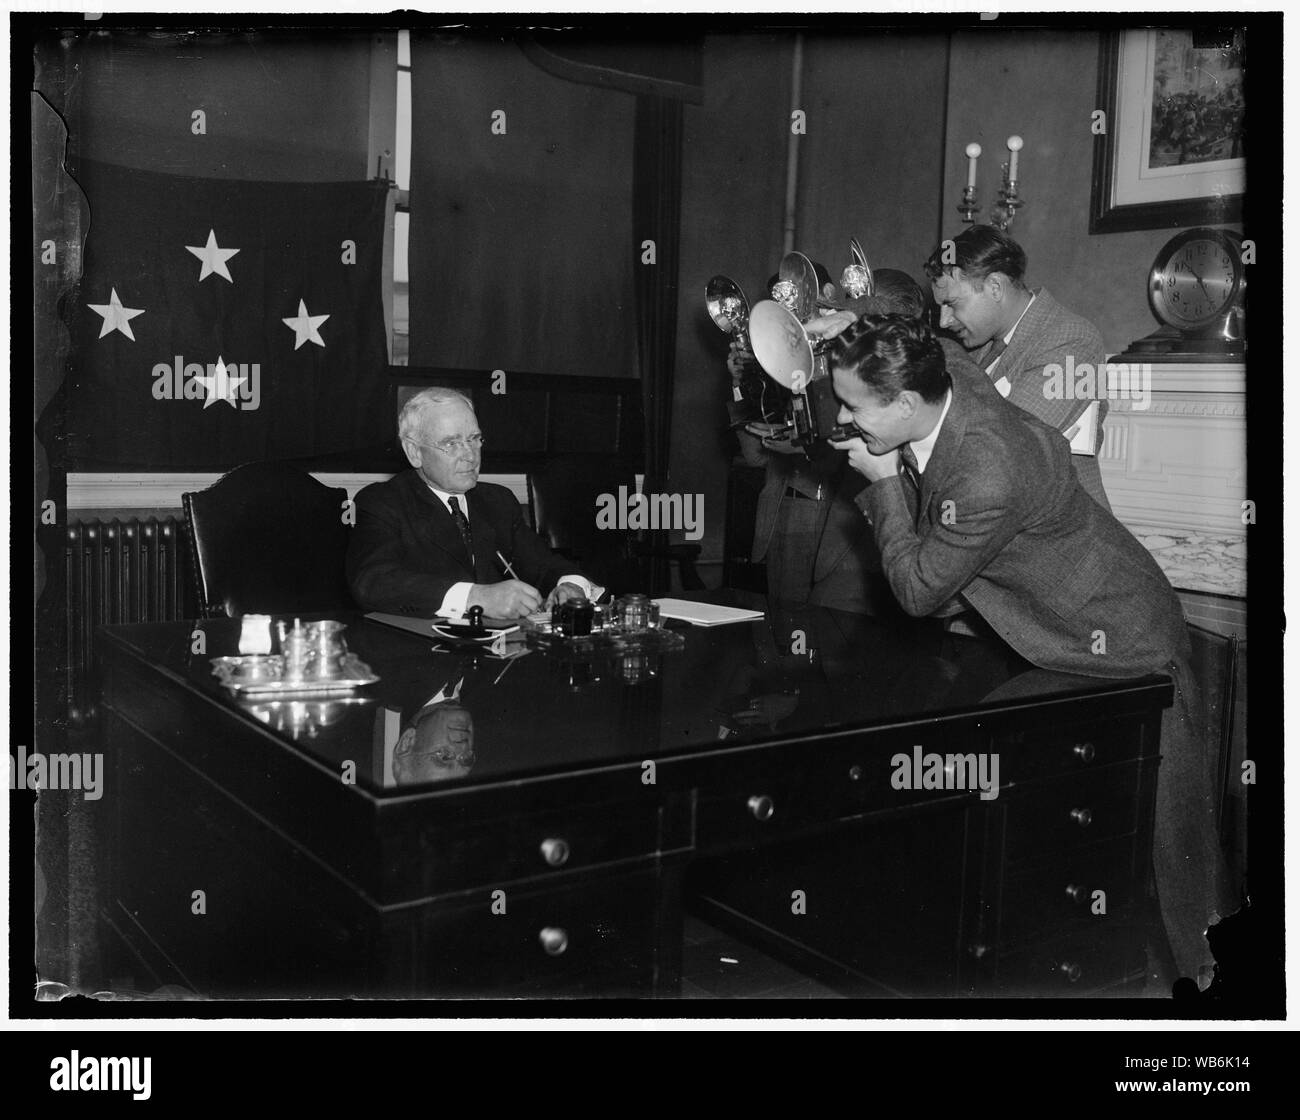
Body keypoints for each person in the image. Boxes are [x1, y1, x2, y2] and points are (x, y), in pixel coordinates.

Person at [817, 313, 1231, 991]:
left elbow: (919, 592)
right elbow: (935, 342)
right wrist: (854, 324)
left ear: (903, 402)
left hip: (1118, 638)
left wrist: (883, 481)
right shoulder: (951, 376)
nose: (839, 416)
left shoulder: (990, 471)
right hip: (1071, 618)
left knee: (1172, 848)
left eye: (852, 405)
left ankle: (1212, 991)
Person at [729, 268, 934, 616]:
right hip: (782, 525)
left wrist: (808, 445)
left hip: (838, 536)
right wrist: (738, 382)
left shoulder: (873, 370)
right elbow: (754, 455)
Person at [347, 388, 597, 618]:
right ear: (414, 452)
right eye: (451, 443)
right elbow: (372, 582)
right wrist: (475, 597)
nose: (469, 455)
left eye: (474, 439)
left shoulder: (498, 501)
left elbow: (543, 564)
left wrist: (571, 584)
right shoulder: (382, 502)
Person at [923, 225, 1112, 510]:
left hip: (1060, 541)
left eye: (952, 304)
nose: (943, 321)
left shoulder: (1073, 340)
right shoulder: (978, 347)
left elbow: (1007, 447)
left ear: (995, 287)